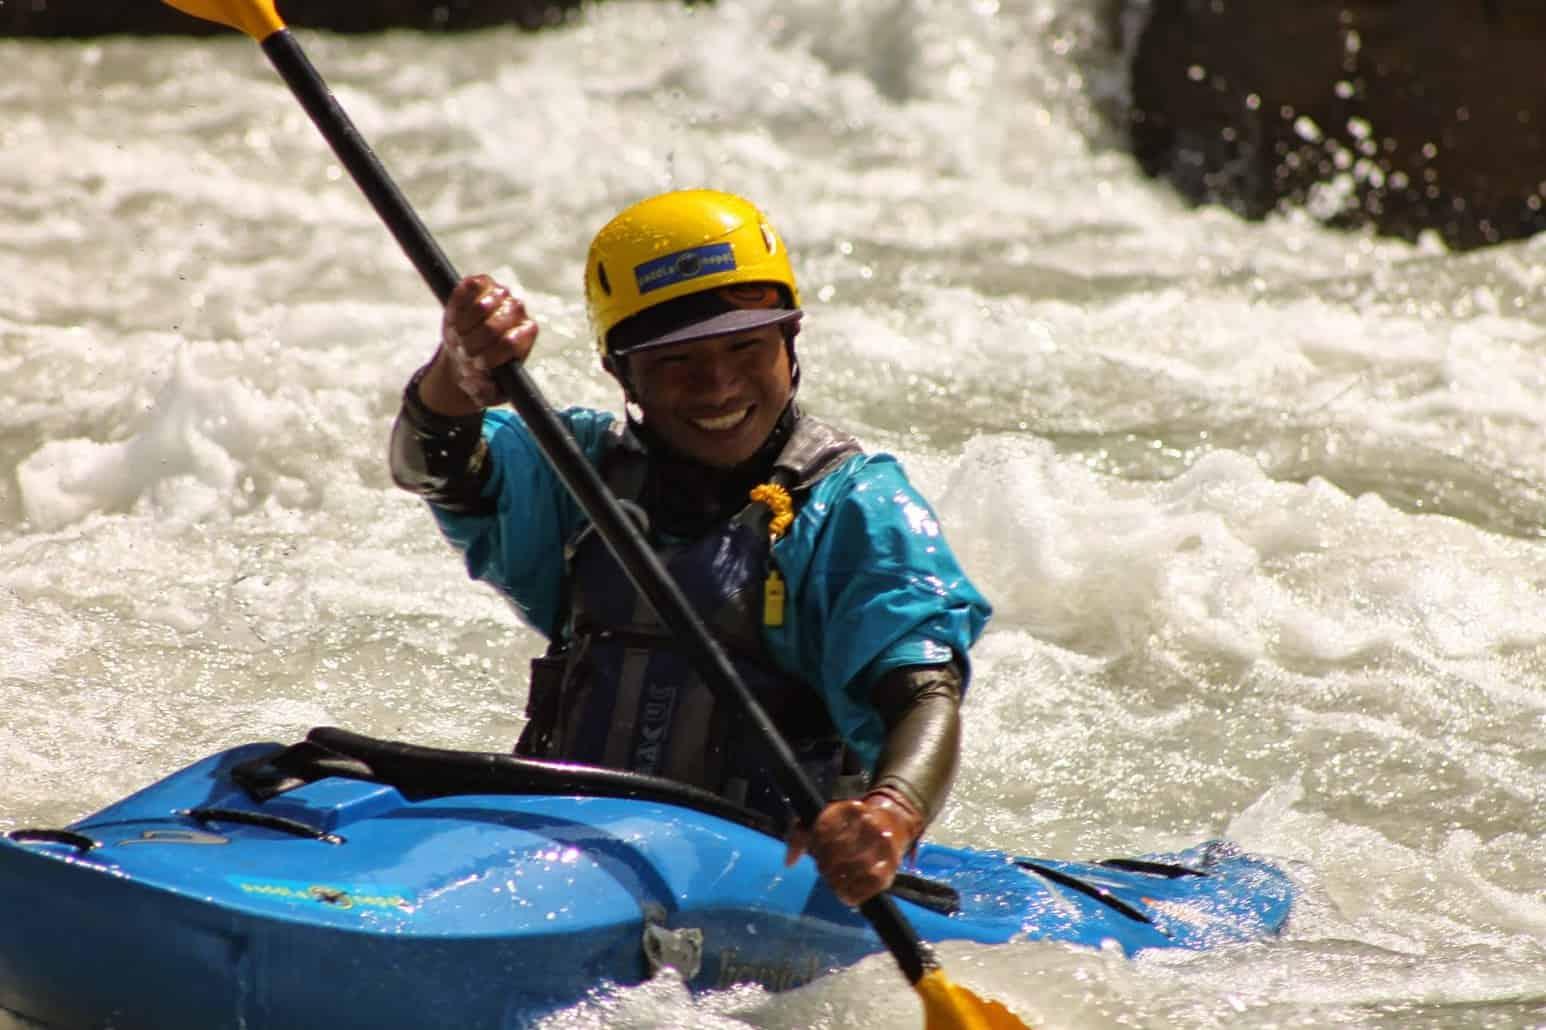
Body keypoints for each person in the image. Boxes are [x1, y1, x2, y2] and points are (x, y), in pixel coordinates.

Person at [390, 189, 990, 906]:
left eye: (746, 347)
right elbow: (435, 468)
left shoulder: (854, 508)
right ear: (621, 371)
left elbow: (925, 696)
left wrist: (891, 812)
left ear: (790, 341)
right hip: (562, 853)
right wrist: (456, 377)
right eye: (677, 361)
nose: (717, 384)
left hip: (759, 877)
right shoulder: (573, 470)